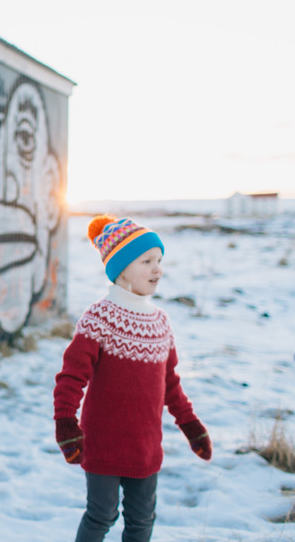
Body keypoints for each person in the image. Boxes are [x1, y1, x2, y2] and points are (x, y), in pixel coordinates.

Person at [53, 215, 212, 542]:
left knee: (142, 521)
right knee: (102, 515)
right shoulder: (100, 317)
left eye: (160, 261)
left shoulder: (161, 322)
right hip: (103, 443)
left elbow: (170, 384)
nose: (158, 269)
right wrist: (66, 421)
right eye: (147, 261)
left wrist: (190, 423)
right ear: (122, 268)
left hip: (145, 446)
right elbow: (72, 375)